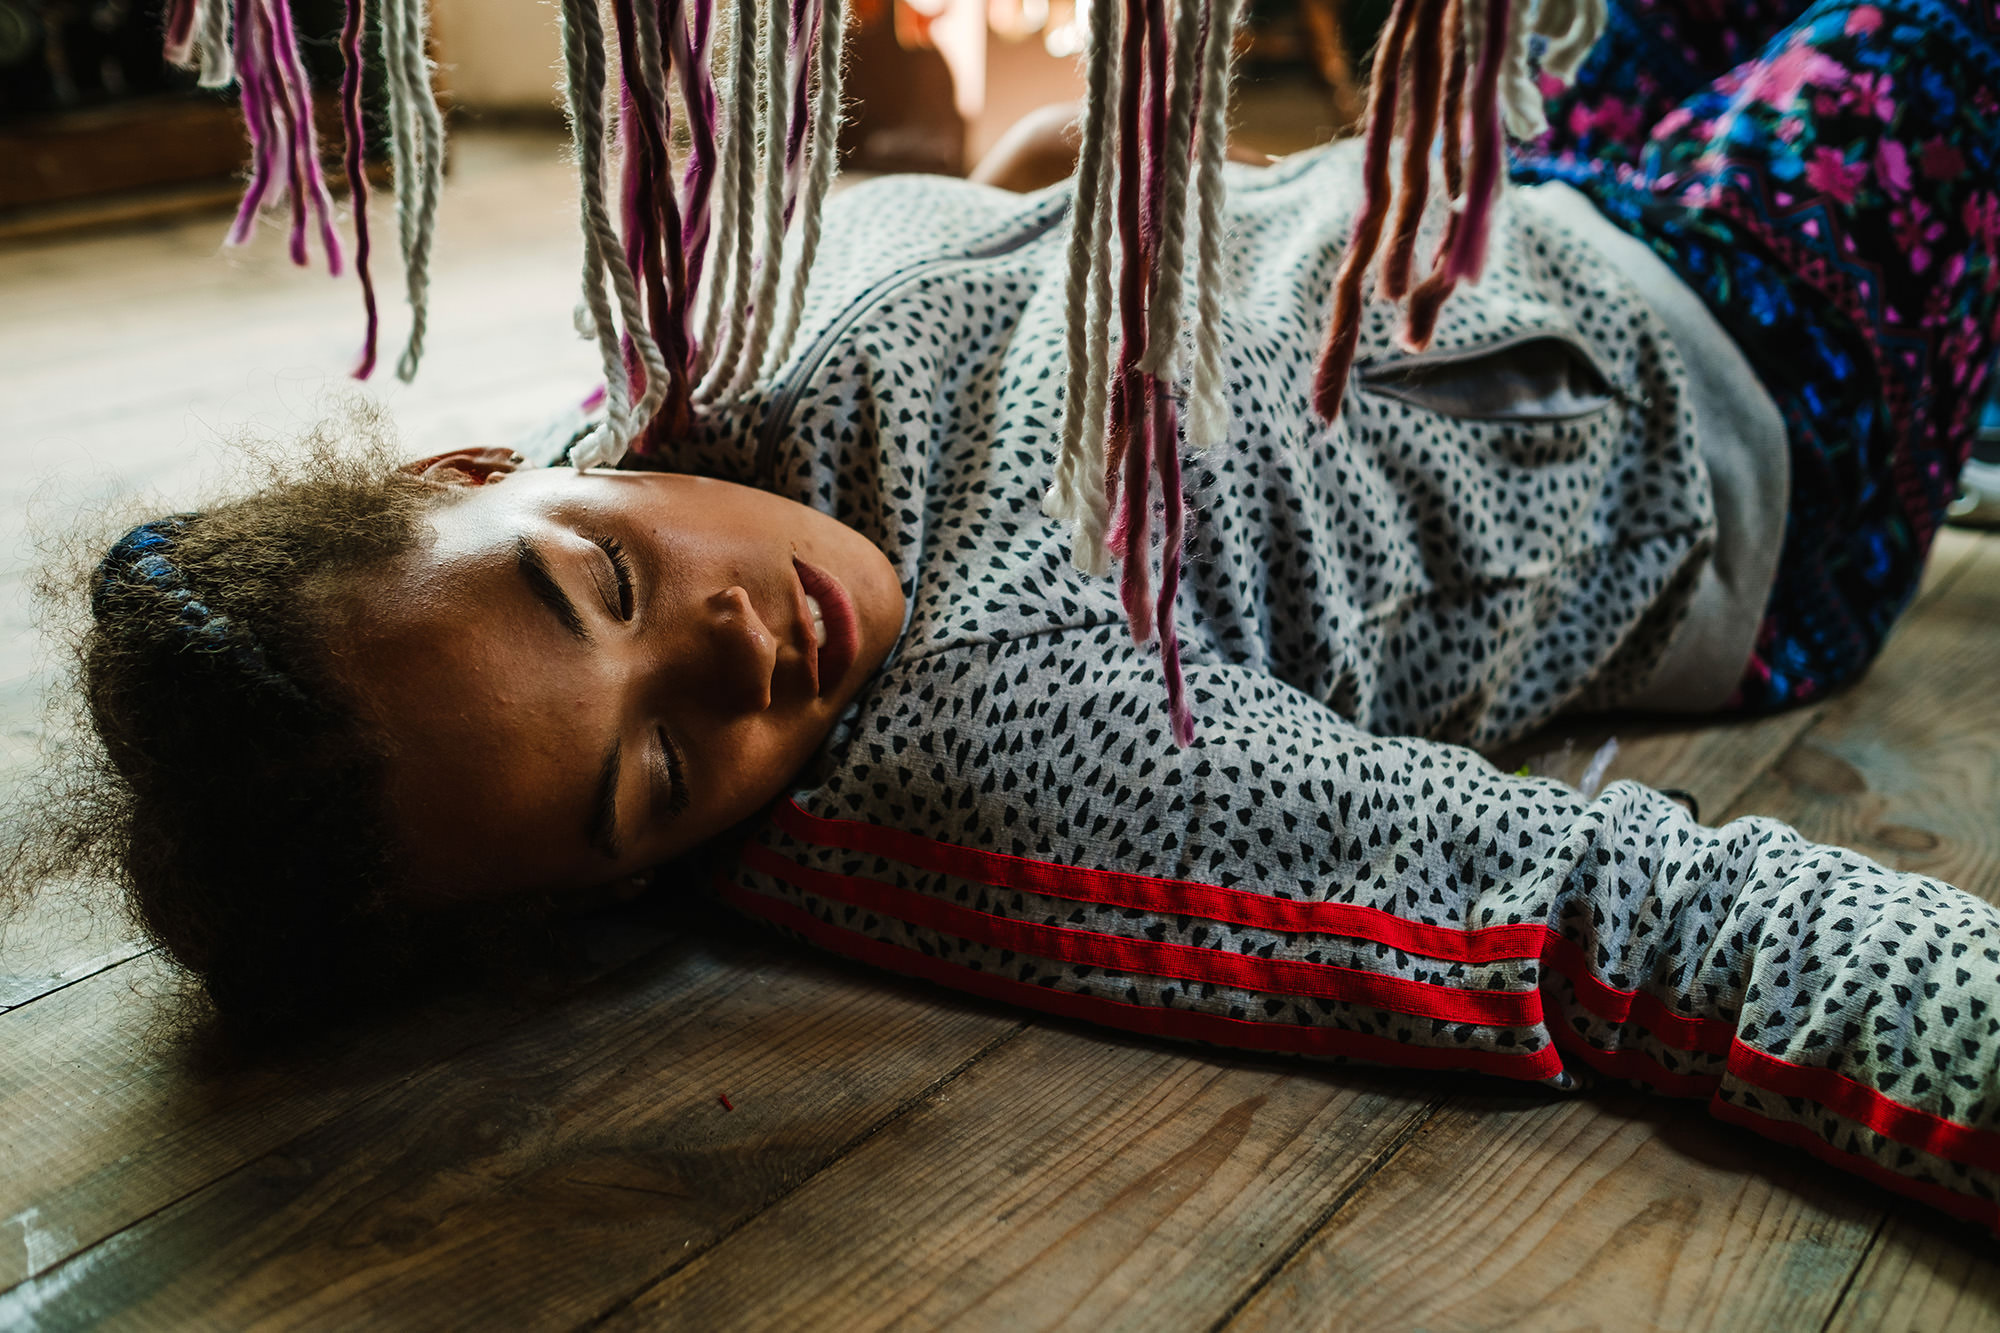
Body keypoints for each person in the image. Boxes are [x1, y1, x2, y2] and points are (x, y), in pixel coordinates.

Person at [16, 0, 2000, 1235]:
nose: (731, 649)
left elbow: (1013, 211)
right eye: (652, 774)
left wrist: (1080, 171)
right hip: (1729, 390)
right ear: (608, 888)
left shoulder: (683, 344)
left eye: (599, 580)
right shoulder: (1000, 740)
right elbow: (1624, 928)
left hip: (1476, 203)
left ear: (480, 468)